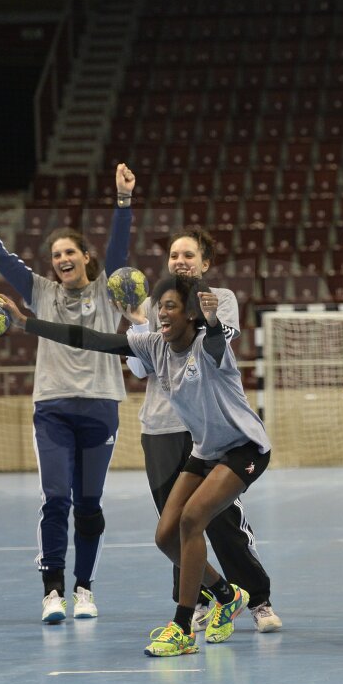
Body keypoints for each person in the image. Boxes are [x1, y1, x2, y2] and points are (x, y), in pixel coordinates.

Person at [0, 273, 271, 656]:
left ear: (191, 314)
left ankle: (182, 628)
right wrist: (27, 324)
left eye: (171, 306)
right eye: (160, 306)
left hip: (244, 447)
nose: (162, 313)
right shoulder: (154, 345)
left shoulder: (208, 344)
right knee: (165, 537)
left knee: (192, 520)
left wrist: (211, 322)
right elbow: (89, 338)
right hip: (206, 450)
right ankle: (226, 595)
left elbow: (215, 340)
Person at [0, 165, 135, 623]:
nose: (62, 259)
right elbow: (0, 257)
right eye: (56, 254)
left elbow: (119, 250)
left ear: (86, 257)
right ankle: (52, 591)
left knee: (89, 505)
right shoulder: (40, 292)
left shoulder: (108, 290)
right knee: (56, 498)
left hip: (101, 408)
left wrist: (123, 202)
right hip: (53, 410)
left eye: (70, 251)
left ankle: (84, 589)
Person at [117, 226, 280, 634]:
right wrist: (138, 323)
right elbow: (140, 368)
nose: (180, 261)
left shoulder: (218, 299)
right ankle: (205, 600)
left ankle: (256, 598)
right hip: (159, 427)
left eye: (189, 255)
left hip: (206, 427)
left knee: (220, 521)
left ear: (205, 263)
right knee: (175, 526)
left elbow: (215, 340)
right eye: (174, 255)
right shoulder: (155, 306)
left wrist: (191, 316)